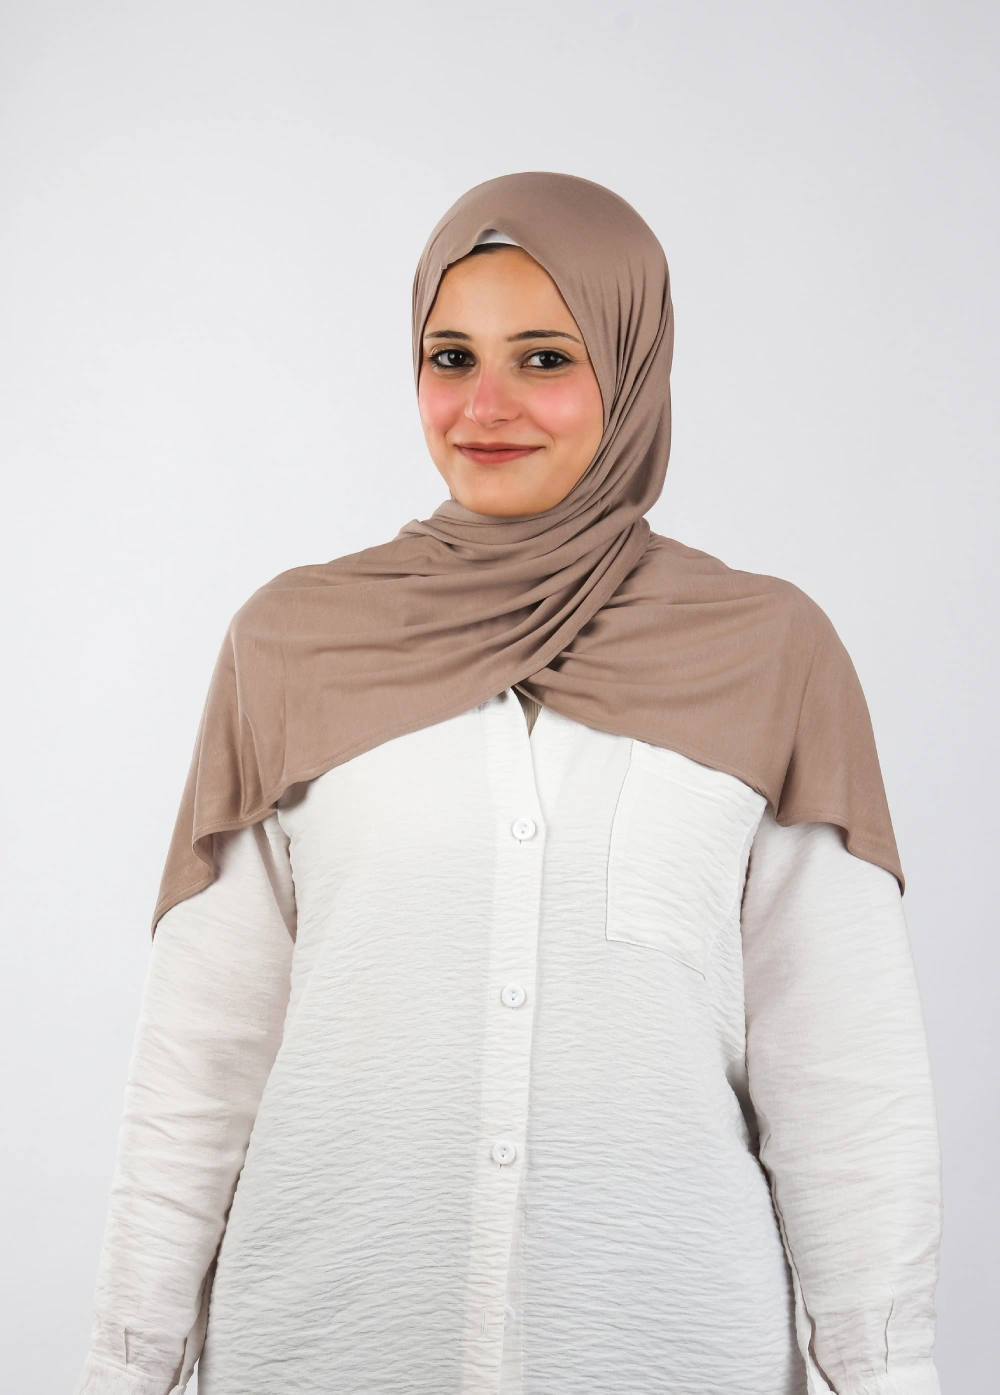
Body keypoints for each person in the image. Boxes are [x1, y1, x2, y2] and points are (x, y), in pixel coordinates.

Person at [73, 172, 942, 1395]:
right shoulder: (295, 645)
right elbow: (200, 1060)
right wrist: (127, 1365)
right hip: (329, 1344)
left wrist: (882, 1372)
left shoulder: (766, 653)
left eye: (544, 358)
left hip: (667, 1351)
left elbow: (843, 1080)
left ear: (632, 368)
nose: (484, 407)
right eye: (450, 357)